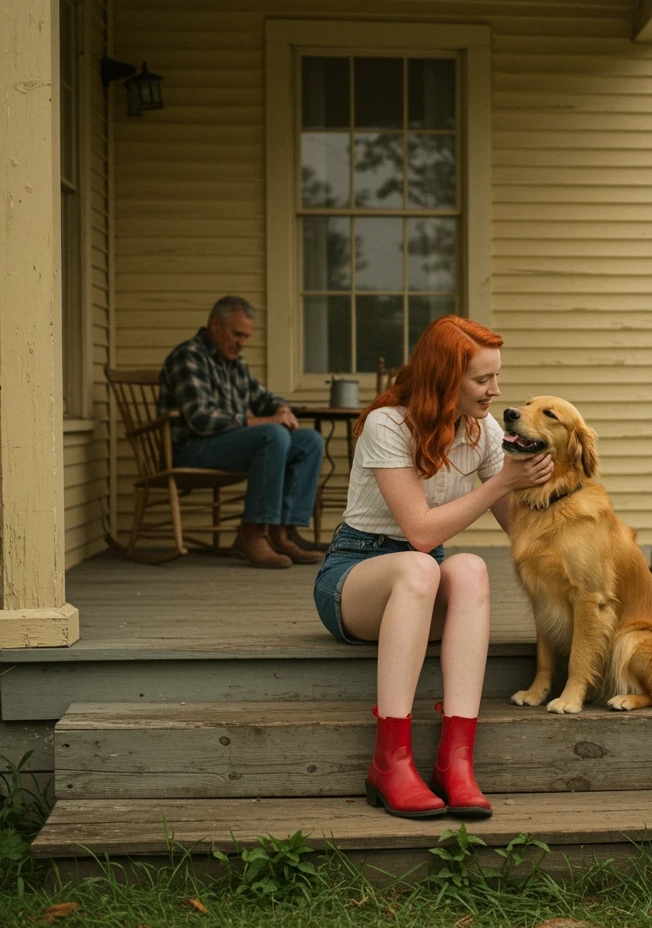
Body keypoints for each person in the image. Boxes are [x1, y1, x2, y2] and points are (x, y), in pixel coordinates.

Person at [312, 315, 552, 820]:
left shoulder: (483, 431)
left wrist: (556, 484)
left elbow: (522, 531)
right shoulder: (388, 424)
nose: (496, 390)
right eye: (483, 379)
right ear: (447, 378)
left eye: (496, 376)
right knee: (421, 566)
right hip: (355, 576)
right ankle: (390, 762)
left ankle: (455, 761)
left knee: (468, 569)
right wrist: (500, 483)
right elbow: (420, 532)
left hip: (421, 582)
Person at [159, 296, 325, 569]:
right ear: (215, 324)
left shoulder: (235, 364)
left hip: (228, 447)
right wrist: (266, 421)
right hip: (192, 448)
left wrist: (282, 409)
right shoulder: (188, 357)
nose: (242, 342)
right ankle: (252, 533)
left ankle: (281, 533)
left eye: (246, 336)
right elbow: (201, 419)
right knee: (273, 434)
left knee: (309, 440)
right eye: (237, 334)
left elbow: (264, 398)